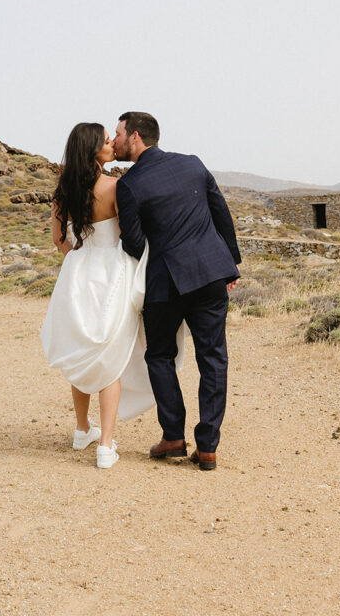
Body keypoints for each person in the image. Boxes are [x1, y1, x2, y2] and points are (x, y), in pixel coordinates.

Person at [113, 111, 241, 471]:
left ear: (135, 137)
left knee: (159, 356)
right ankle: (208, 446)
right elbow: (221, 213)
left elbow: (134, 243)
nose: (116, 140)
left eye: (119, 133)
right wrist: (230, 263)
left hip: (165, 284)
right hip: (211, 274)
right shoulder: (192, 164)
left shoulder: (130, 184)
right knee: (213, 358)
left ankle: (172, 437)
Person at [40, 122, 158, 469]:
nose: (112, 146)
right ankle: (105, 445)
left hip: (79, 270)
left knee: (82, 353)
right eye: (107, 142)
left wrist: (78, 259)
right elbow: (131, 236)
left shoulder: (63, 190)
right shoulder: (115, 187)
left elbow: (59, 240)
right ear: (94, 150)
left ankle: (82, 430)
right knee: (110, 357)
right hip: (112, 271)